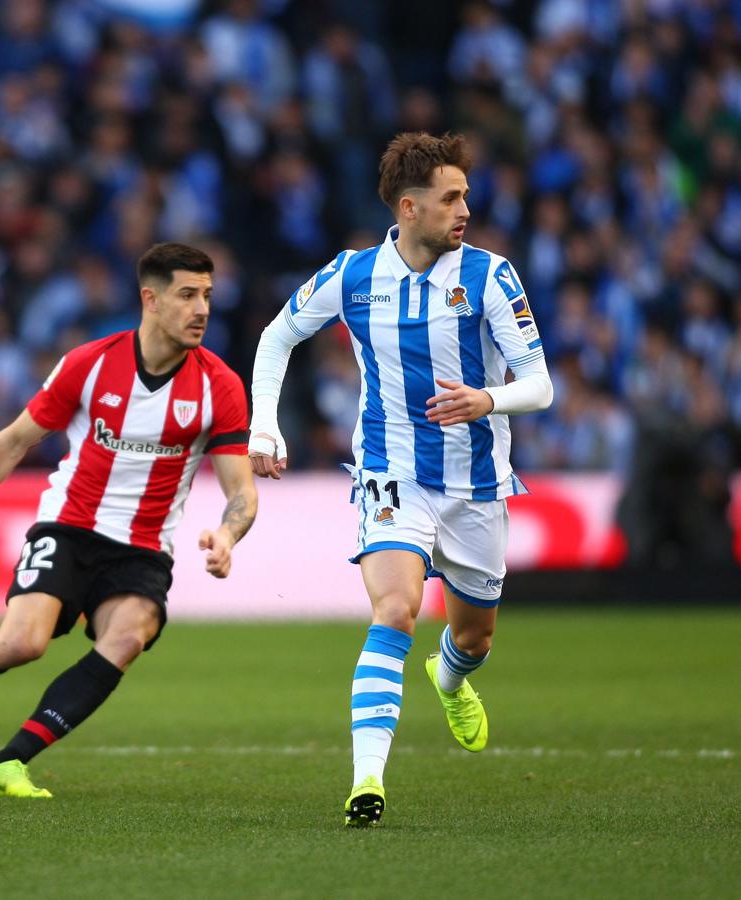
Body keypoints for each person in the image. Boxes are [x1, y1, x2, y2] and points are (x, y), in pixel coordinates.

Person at [0, 242, 258, 798]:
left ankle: (7, 763)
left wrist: (228, 533)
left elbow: (240, 488)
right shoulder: (91, 363)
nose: (201, 309)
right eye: (187, 295)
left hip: (143, 547)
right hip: (70, 526)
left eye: (207, 296)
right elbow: (13, 442)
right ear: (150, 299)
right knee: (21, 644)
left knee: (128, 636)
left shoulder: (218, 385)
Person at [248, 133, 553, 826]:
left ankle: (448, 680)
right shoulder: (353, 275)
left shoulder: (491, 276)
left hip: (477, 483)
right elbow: (277, 335)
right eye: (451, 198)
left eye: (466, 195)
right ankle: (367, 782)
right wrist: (263, 422)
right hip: (390, 476)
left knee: (473, 638)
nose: (465, 209)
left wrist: (487, 399)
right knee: (395, 612)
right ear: (409, 208)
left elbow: (540, 386)